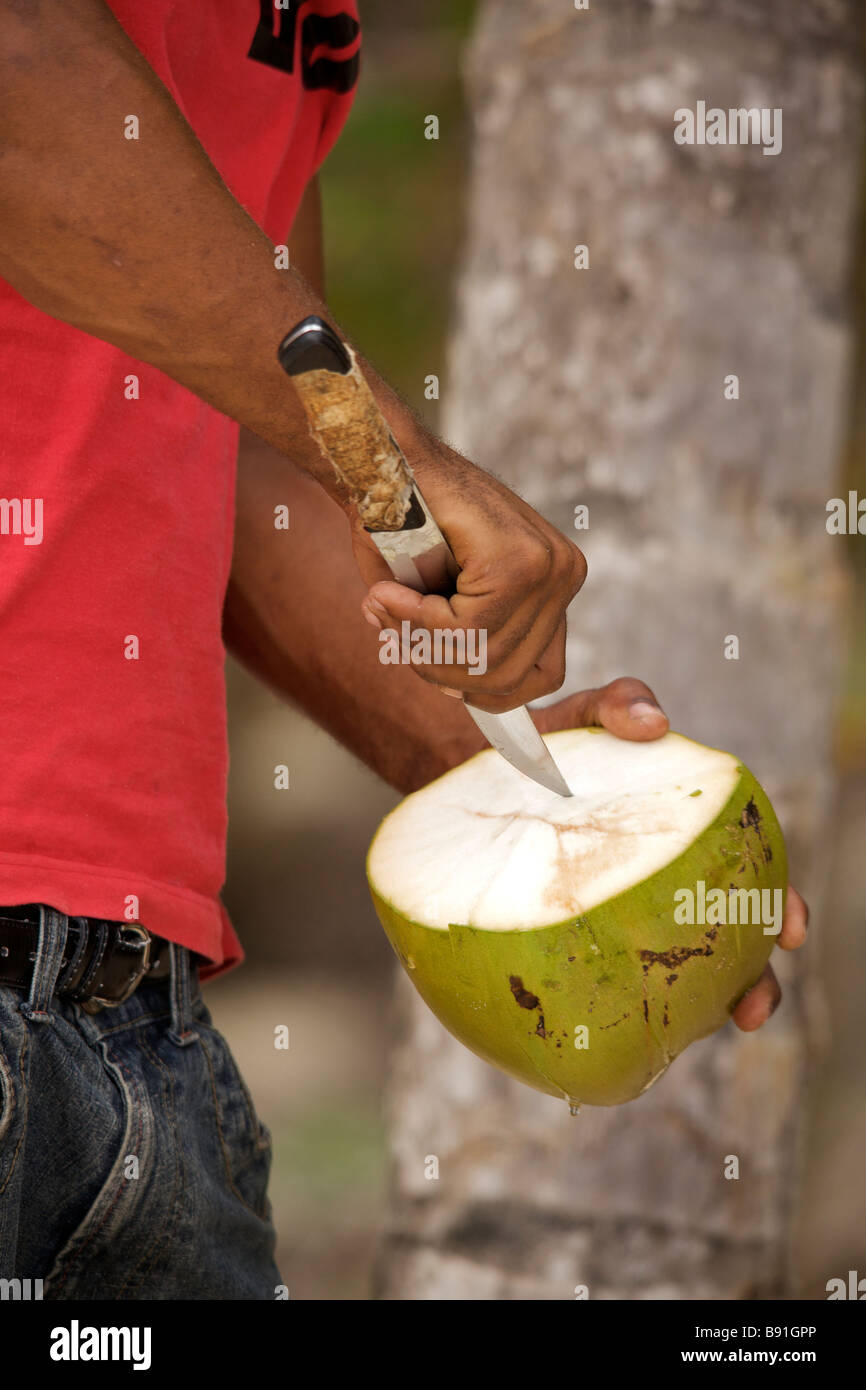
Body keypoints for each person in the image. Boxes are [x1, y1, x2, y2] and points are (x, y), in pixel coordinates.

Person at [0, 0, 807, 1300]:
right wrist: (395, 460)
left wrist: (512, 787)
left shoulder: (309, 15)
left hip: (137, 1021)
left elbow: (246, 444)